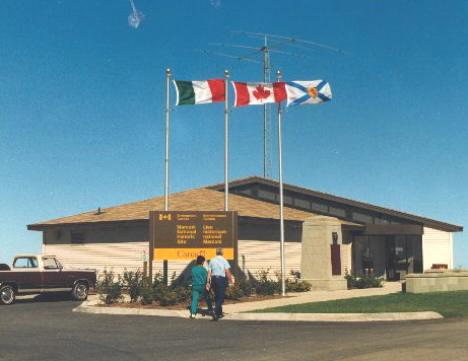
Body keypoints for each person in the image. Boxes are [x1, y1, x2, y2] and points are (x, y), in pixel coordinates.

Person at [206, 248, 234, 320]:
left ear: (216, 253)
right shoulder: (224, 260)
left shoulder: (212, 260)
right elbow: (227, 271)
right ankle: (215, 312)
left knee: (217, 296)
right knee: (221, 297)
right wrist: (231, 280)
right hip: (221, 280)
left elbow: (209, 272)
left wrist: (208, 282)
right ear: (222, 253)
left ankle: (219, 313)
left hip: (213, 279)